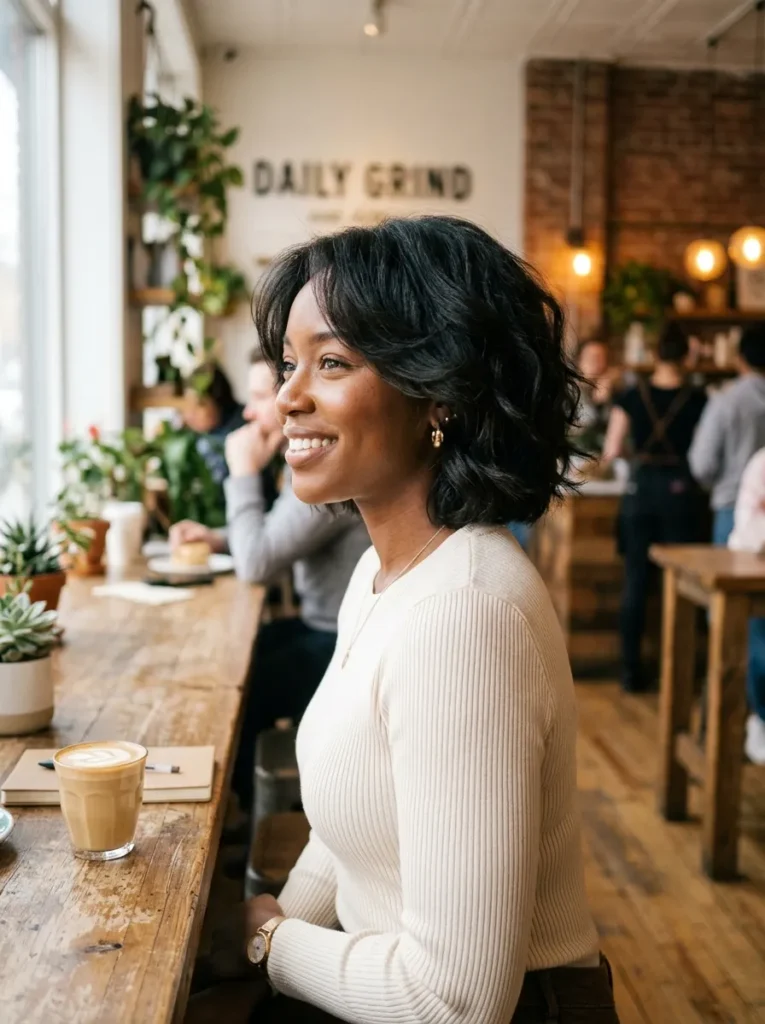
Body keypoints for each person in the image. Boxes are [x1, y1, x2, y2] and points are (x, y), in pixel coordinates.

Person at [243, 217, 618, 1024]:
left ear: (436, 393)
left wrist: (271, 946)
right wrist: (269, 928)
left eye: (331, 363)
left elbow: (451, 1000)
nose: (286, 396)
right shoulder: (382, 573)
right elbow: (348, 838)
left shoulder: (463, 615)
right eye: (288, 363)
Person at [171, 350, 370, 808]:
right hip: (325, 628)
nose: (249, 411)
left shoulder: (325, 471)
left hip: (339, 645)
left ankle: (236, 810)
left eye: (260, 396)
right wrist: (219, 538)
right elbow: (276, 536)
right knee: (240, 653)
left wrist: (241, 473)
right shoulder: (305, 460)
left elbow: (258, 562)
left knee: (239, 681)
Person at [602, 323, 706, 692]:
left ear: (655, 354)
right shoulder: (698, 400)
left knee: (635, 582)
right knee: (679, 585)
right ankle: (678, 673)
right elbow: (706, 457)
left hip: (641, 488)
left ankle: (630, 671)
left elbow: (611, 449)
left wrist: (635, 453)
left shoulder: (633, 395)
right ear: (686, 356)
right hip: (681, 493)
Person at [688, 322, 765, 545]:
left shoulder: (726, 401)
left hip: (733, 507)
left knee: (731, 579)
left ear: (740, 358)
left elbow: (702, 464)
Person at [727, 446, 765, 764]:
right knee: (759, 647)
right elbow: (752, 530)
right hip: (751, 570)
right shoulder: (761, 464)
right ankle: (760, 719)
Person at [183, 362, 246, 484]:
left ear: (219, 401)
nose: (189, 415)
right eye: (188, 404)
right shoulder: (201, 435)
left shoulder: (243, 430)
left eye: (200, 405)